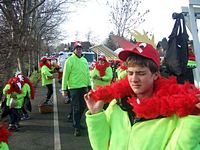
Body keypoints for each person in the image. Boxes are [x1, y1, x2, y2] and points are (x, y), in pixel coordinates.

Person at [84, 42, 200, 150]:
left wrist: (194, 117)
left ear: (155, 75)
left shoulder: (171, 111)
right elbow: (101, 147)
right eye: (130, 73)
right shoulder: (118, 104)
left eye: (141, 73)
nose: (134, 79)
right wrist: (96, 115)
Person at [62, 41, 90, 136]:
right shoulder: (69, 60)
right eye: (77, 49)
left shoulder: (84, 60)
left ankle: (78, 123)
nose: (78, 50)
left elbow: (87, 74)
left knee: (83, 107)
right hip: (74, 88)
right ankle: (76, 127)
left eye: (80, 49)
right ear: (74, 50)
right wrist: (64, 89)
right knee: (76, 108)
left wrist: (89, 85)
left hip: (83, 87)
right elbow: (65, 76)